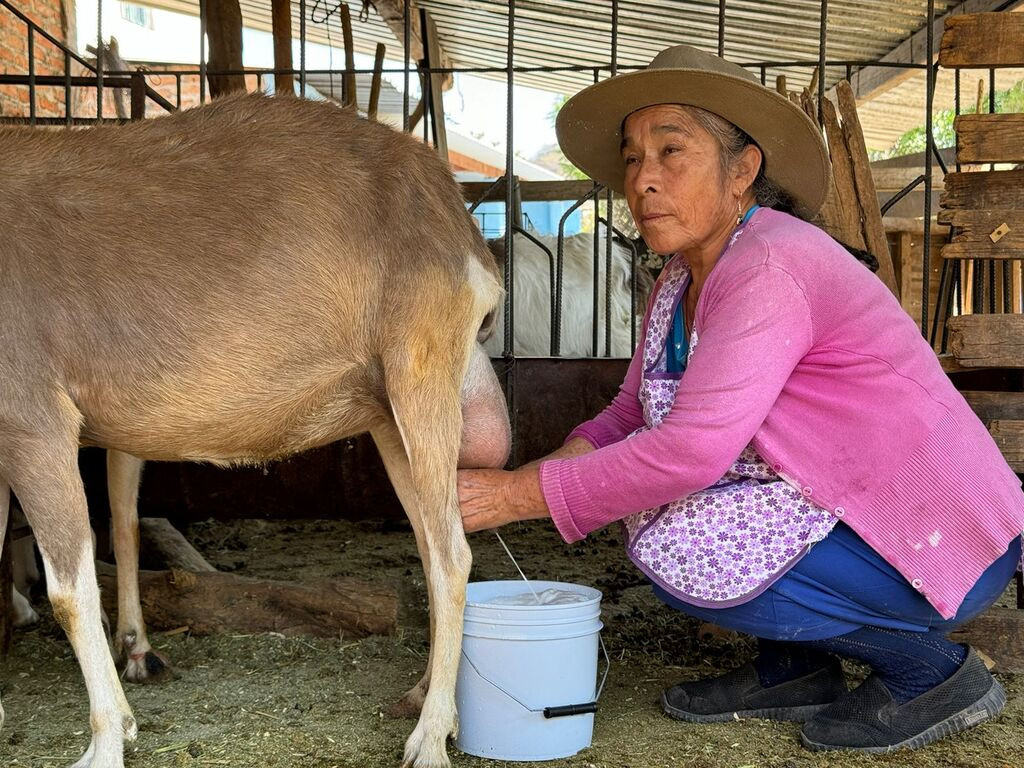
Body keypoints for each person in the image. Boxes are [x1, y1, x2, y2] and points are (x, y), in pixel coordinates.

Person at [457, 44, 1024, 754]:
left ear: (743, 170)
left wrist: (515, 495)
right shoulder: (681, 277)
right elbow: (629, 415)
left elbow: (689, 453)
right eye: (632, 159)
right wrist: (563, 466)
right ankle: (795, 669)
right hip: (836, 508)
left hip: (923, 531)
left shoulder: (770, 262)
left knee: (681, 529)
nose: (644, 180)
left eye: (672, 151)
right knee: (659, 509)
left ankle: (931, 673)